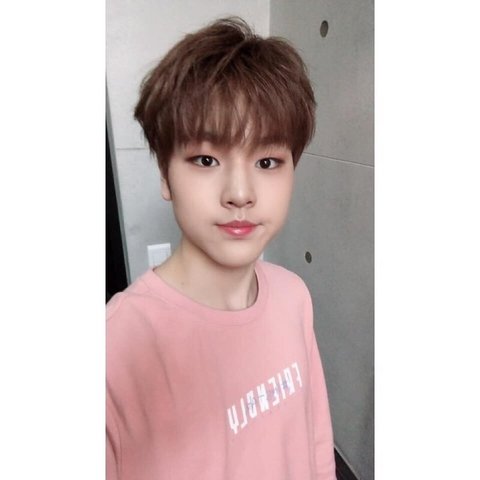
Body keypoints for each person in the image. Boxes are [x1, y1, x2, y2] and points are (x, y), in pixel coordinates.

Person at [107, 17, 336, 480]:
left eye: (267, 161)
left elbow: (316, 442)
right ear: (164, 174)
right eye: (206, 159)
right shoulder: (116, 347)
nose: (240, 193)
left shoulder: (294, 296)